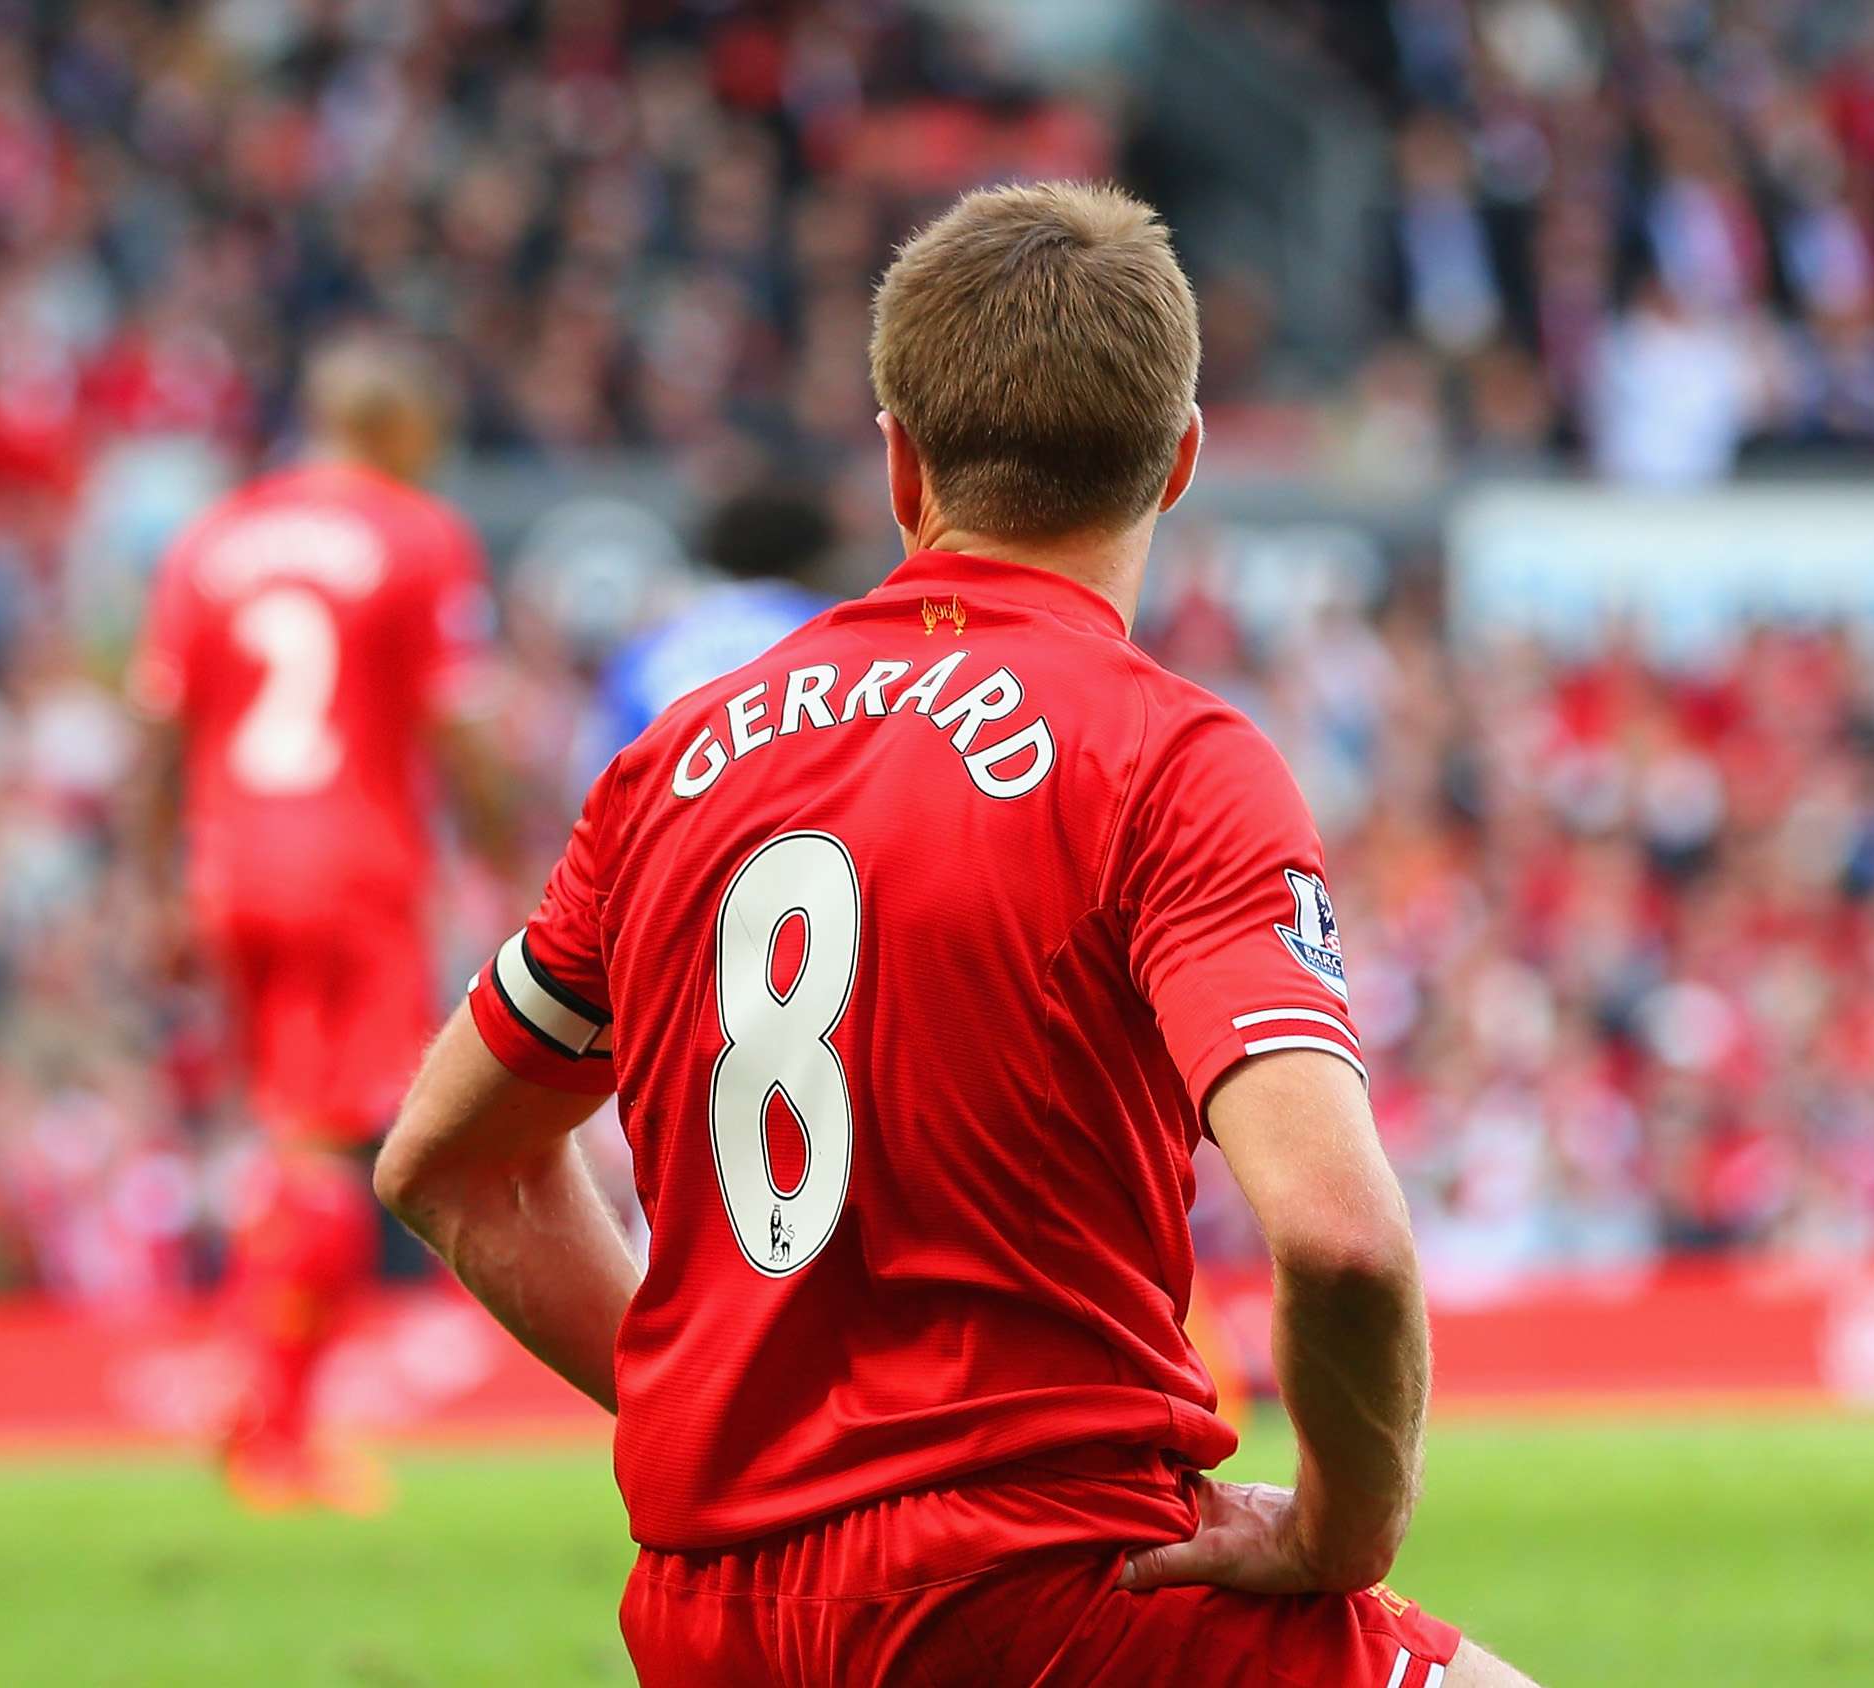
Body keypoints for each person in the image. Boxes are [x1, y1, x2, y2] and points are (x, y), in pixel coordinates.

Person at [374, 182, 1535, 1686]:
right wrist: (1341, 1538)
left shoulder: (675, 763)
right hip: (1055, 1595)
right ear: (1179, 464)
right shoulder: (1168, 759)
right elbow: (1342, 1241)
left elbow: (443, 1163)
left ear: (899, 460)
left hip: (716, 1621)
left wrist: (729, 1441)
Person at [128, 331, 517, 1510]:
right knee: (329, 1142)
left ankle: (263, 1410)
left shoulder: (216, 536)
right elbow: (456, 722)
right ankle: (277, 1433)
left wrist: (156, 884)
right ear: (401, 432)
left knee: (289, 1128)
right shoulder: (414, 533)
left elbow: (157, 728)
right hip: (352, 864)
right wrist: (519, 855)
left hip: (232, 863)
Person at [587, 487, 838, 773]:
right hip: (798, 804)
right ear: (813, 559)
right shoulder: (832, 627)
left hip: (674, 804)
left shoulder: (651, 645)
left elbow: (599, 771)